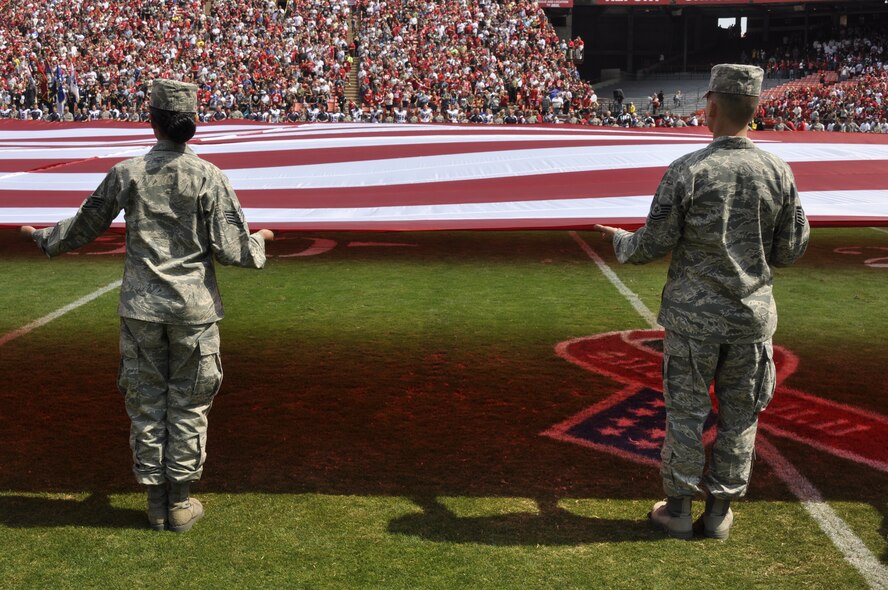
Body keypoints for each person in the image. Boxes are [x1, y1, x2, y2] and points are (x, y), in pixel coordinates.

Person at [20, 79, 275, 533]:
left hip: (141, 310)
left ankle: (156, 503)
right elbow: (235, 250)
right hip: (193, 312)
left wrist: (43, 238)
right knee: (189, 404)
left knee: (145, 403)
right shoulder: (209, 177)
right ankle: (179, 504)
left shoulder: (128, 172)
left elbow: (85, 224)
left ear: (152, 120)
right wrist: (261, 240)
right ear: (192, 123)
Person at [593, 64, 810, 540]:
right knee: (740, 416)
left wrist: (619, 242)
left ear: (711, 105)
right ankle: (717, 514)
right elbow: (791, 250)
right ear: (754, 109)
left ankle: (677, 509)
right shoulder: (778, 172)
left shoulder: (689, 170)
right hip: (751, 320)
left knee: (687, 414)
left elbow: (653, 242)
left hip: (694, 322)